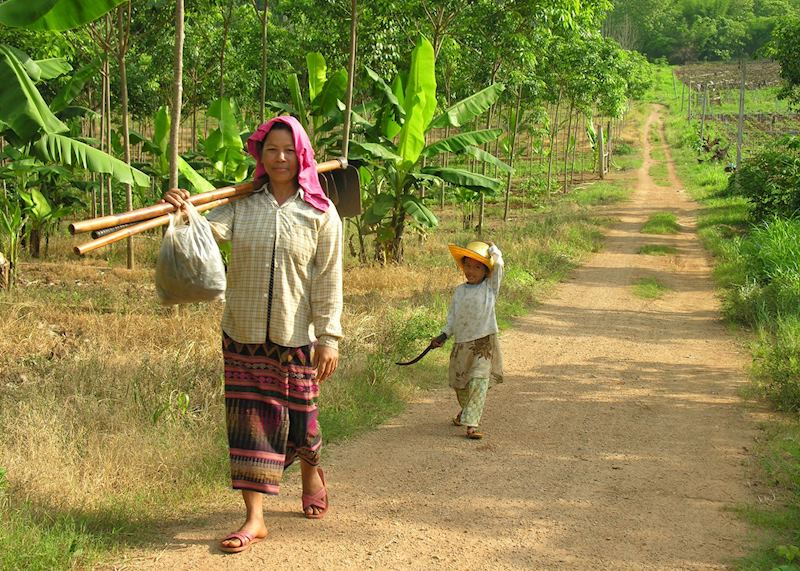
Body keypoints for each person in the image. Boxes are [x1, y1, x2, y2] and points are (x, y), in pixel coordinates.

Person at [162, 115, 342, 554]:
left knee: (303, 420)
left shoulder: (319, 212)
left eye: (287, 150)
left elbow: (328, 277)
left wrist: (329, 336)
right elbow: (204, 234)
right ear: (260, 156)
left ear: (301, 155)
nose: (279, 158)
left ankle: (310, 470)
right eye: (271, 150)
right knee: (251, 425)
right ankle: (254, 518)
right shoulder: (243, 204)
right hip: (242, 333)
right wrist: (183, 211)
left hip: (296, 333)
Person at [430, 240, 503, 440]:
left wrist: (494, 251)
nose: (471, 271)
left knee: (478, 382)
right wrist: (443, 335)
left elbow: (498, 266)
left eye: (477, 267)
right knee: (460, 385)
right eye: (468, 266)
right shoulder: (460, 291)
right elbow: (452, 318)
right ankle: (466, 411)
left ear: (486, 271)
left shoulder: (490, 288)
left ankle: (471, 424)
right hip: (461, 344)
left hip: (483, 344)